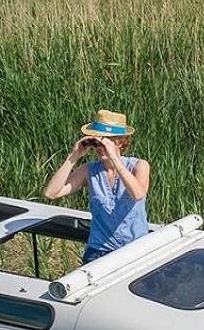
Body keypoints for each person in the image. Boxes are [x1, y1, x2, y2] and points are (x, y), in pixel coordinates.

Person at [43, 109, 150, 263]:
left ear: (120, 142)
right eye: (97, 142)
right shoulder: (90, 170)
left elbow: (138, 194)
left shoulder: (139, 166)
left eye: (107, 140)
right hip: (100, 250)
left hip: (136, 249)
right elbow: (51, 193)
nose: (100, 147)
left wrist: (114, 158)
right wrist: (73, 157)